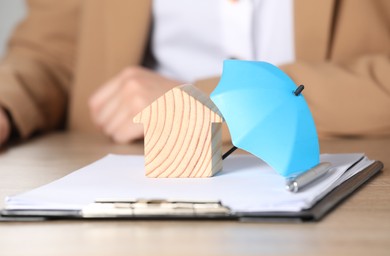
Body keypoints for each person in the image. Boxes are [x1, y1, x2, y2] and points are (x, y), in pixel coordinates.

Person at [0, 0, 389, 147]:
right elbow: (51, 52)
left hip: (339, 186)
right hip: (136, 174)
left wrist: (216, 101)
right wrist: (5, 104)